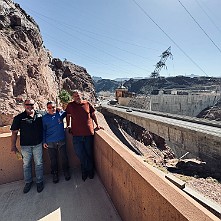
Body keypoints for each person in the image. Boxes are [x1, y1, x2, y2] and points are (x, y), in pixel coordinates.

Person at [66, 90, 103, 181]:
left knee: (88, 154)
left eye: (78, 95)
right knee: (80, 153)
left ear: (81, 95)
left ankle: (85, 172)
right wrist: (68, 125)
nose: (77, 97)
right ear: (72, 97)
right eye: (74, 96)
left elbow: (93, 114)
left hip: (88, 134)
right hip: (76, 134)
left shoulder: (87, 104)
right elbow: (68, 115)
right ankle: (90, 169)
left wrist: (97, 124)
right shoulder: (70, 105)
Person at [11, 99, 44, 193]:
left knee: (39, 164)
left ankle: (39, 181)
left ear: (35, 104)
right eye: (27, 104)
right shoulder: (19, 118)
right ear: (24, 105)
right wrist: (13, 145)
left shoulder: (40, 114)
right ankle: (28, 182)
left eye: (31, 104)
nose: (29, 106)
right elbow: (14, 132)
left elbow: (50, 114)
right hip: (25, 146)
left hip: (38, 144)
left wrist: (58, 109)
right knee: (26, 165)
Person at [42, 101, 70, 183]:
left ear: (56, 107)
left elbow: (69, 112)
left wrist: (60, 109)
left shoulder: (60, 114)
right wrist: (44, 141)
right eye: (49, 108)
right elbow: (43, 130)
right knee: (53, 159)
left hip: (61, 140)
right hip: (50, 142)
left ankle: (66, 172)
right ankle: (55, 174)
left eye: (53, 107)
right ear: (47, 109)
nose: (52, 109)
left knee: (64, 157)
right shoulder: (44, 118)